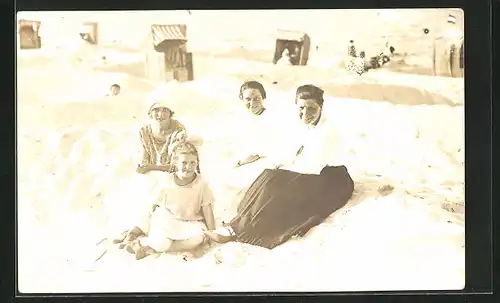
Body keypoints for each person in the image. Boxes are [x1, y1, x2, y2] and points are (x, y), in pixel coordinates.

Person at [117, 142, 217, 260]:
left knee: (200, 238)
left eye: (192, 163)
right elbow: (155, 206)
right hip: (169, 219)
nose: (188, 167)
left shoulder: (202, 184)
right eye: (184, 162)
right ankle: (143, 243)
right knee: (159, 237)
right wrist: (152, 222)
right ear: (175, 162)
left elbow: (207, 210)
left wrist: (213, 234)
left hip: (191, 222)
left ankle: (144, 244)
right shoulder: (167, 181)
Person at [136, 100, 187, 175]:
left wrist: (150, 167)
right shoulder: (144, 131)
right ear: (150, 113)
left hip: (174, 176)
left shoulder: (178, 130)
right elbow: (144, 162)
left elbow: (177, 166)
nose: (160, 114)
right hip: (152, 175)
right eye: (156, 110)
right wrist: (145, 166)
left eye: (165, 110)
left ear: (170, 114)